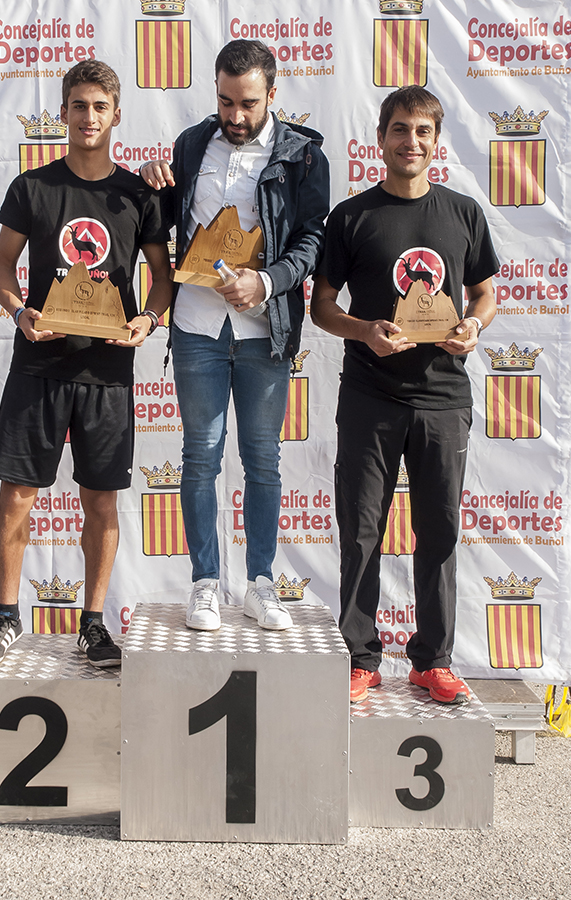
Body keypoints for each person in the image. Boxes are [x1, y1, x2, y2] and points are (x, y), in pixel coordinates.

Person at [0, 60, 171, 669]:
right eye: (78, 105)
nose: (88, 117)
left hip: (107, 373)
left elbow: (162, 279)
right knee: (17, 497)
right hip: (39, 364)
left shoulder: (138, 194)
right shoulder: (31, 187)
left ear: (116, 115)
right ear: (62, 113)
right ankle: (6, 616)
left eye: (100, 107)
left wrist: (149, 319)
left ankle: (94, 623)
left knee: (101, 503)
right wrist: (19, 313)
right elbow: (2, 270)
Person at [311, 85, 498, 704]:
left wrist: (474, 326)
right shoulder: (352, 217)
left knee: (438, 531)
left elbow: (484, 294)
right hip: (370, 395)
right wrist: (365, 330)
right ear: (380, 138)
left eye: (422, 131)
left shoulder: (463, 213)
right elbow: (321, 306)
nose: (410, 141)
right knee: (361, 529)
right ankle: (360, 657)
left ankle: (432, 660)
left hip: (444, 399)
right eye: (399, 129)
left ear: (436, 141)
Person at [141, 39, 330, 632]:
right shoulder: (192, 142)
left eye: (248, 103)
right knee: (199, 456)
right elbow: (167, 219)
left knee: (262, 460)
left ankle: (261, 584)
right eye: (226, 101)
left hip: (264, 329)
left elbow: (312, 242)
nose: (235, 115)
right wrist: (152, 183)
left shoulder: (302, 156)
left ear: (272, 94)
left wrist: (266, 283)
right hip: (196, 326)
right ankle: (204, 583)